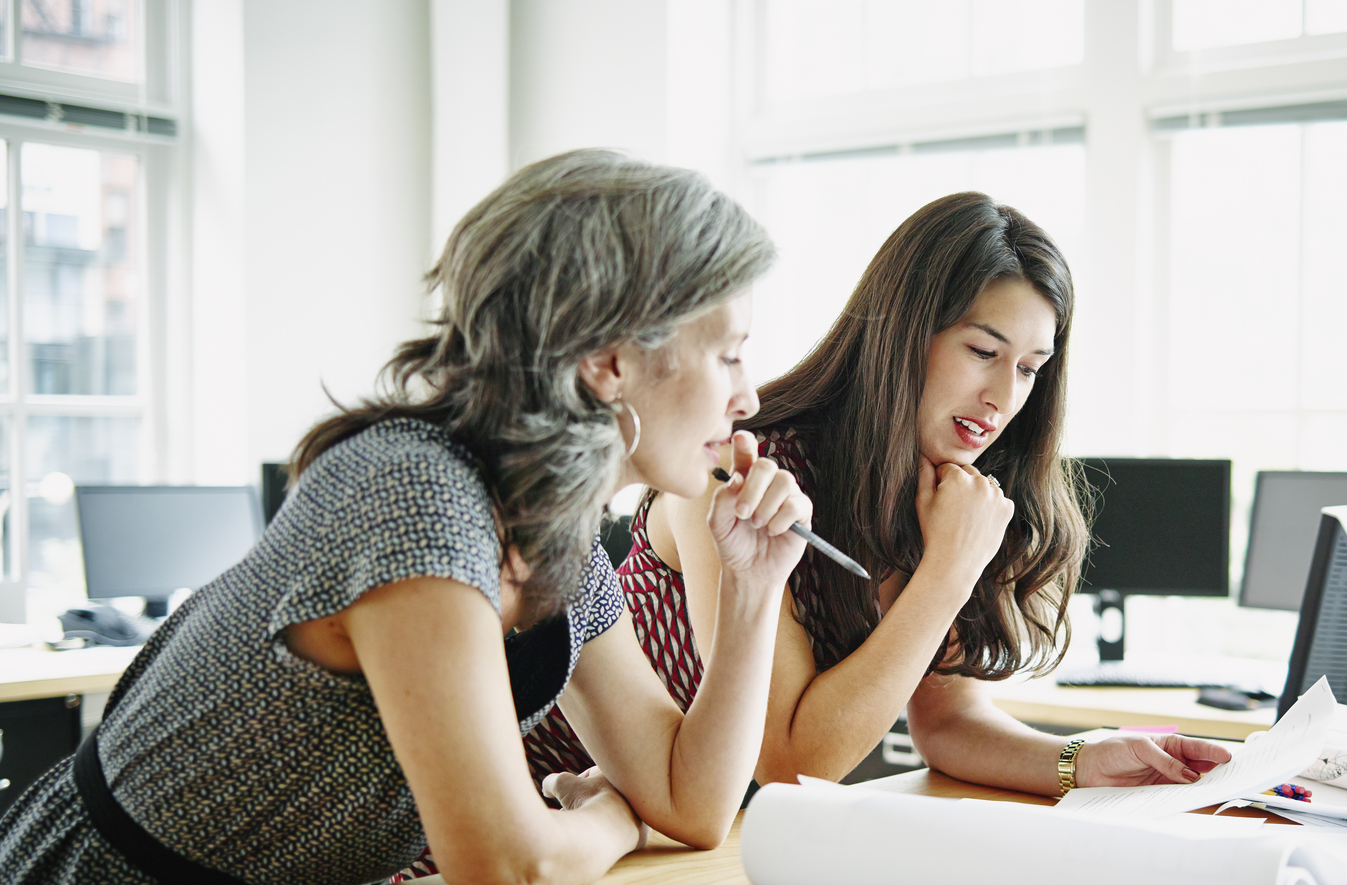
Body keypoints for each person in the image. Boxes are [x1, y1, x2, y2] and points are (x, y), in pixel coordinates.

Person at [0, 151, 811, 885]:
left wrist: (751, 590)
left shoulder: (558, 545)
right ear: (609, 363)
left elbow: (690, 800)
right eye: (729, 353)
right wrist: (604, 819)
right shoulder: (416, 499)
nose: (747, 397)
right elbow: (509, 862)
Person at [525, 192, 1231, 799]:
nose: (1002, 397)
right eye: (982, 353)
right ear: (904, 333)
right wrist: (948, 572)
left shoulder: (953, 494)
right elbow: (789, 760)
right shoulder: (748, 472)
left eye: (1029, 369)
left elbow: (949, 720)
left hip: (698, 830)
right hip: (557, 808)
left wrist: (1082, 760)